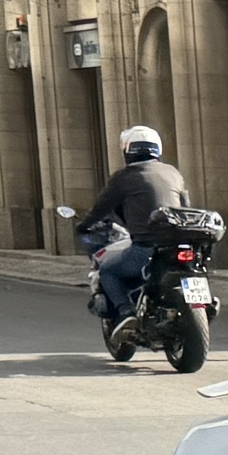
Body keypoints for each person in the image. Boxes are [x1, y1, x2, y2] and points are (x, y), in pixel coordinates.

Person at [83, 124, 185, 334]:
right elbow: (185, 206)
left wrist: (83, 226)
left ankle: (125, 312)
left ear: (127, 150)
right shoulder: (172, 173)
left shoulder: (124, 177)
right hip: (179, 244)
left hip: (146, 248)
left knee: (108, 271)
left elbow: (101, 209)